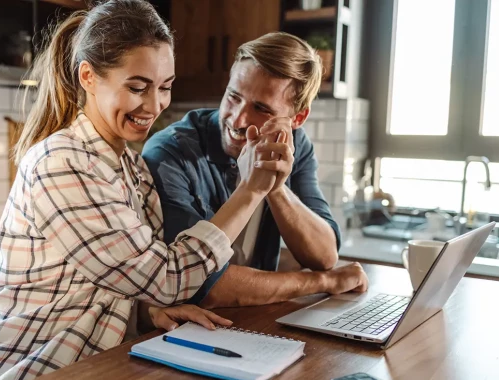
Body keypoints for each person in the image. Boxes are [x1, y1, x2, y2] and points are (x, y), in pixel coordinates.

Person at [0, 0, 277, 380]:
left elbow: (107, 284)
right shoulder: (61, 163)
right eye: (137, 87)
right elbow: (167, 277)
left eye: (164, 86)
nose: (154, 106)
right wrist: (251, 190)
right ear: (88, 77)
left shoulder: (130, 169)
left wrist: (149, 311)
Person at [142, 32, 369, 309]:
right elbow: (197, 284)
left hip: (255, 320)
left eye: (261, 109)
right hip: (183, 330)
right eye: (233, 96)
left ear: (297, 118)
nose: (238, 119)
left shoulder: (294, 145)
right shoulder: (170, 152)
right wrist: (324, 282)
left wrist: (276, 187)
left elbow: (324, 256)